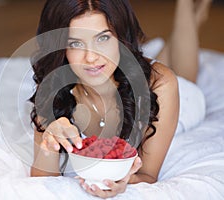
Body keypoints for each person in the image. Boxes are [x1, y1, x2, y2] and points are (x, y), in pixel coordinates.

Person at [29, 0, 211, 198]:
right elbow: (42, 178)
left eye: (103, 38)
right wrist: (48, 146)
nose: (91, 57)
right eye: (75, 43)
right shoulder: (52, 87)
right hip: (130, 74)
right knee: (156, 64)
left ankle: (189, 10)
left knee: (180, 74)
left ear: (121, 38)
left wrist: (127, 181)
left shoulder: (161, 86)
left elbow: (147, 174)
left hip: (179, 99)